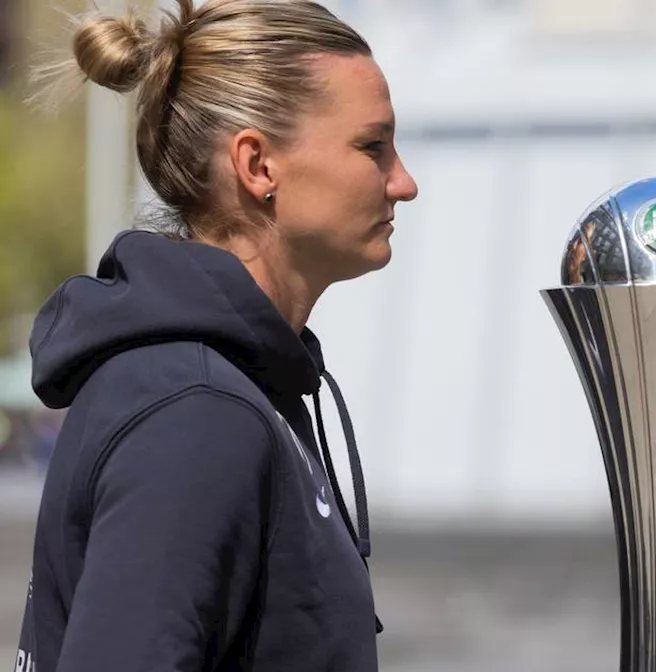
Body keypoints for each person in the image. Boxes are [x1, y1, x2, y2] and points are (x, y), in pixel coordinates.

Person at [14, 0, 418, 670]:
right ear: (258, 165)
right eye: (372, 147)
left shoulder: (225, 390)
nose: (403, 183)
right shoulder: (197, 411)